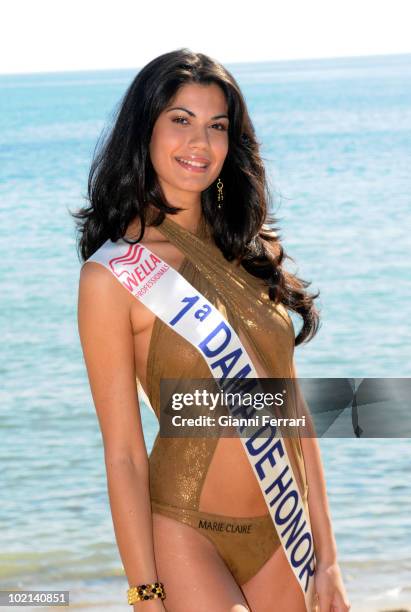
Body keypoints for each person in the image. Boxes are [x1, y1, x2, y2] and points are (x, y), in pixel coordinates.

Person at [74, 48, 351, 612]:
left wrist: (328, 559)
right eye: (180, 120)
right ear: (145, 131)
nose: (199, 144)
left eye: (216, 126)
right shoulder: (112, 277)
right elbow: (124, 454)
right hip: (184, 528)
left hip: (281, 531)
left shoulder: (254, 253)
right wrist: (146, 595)